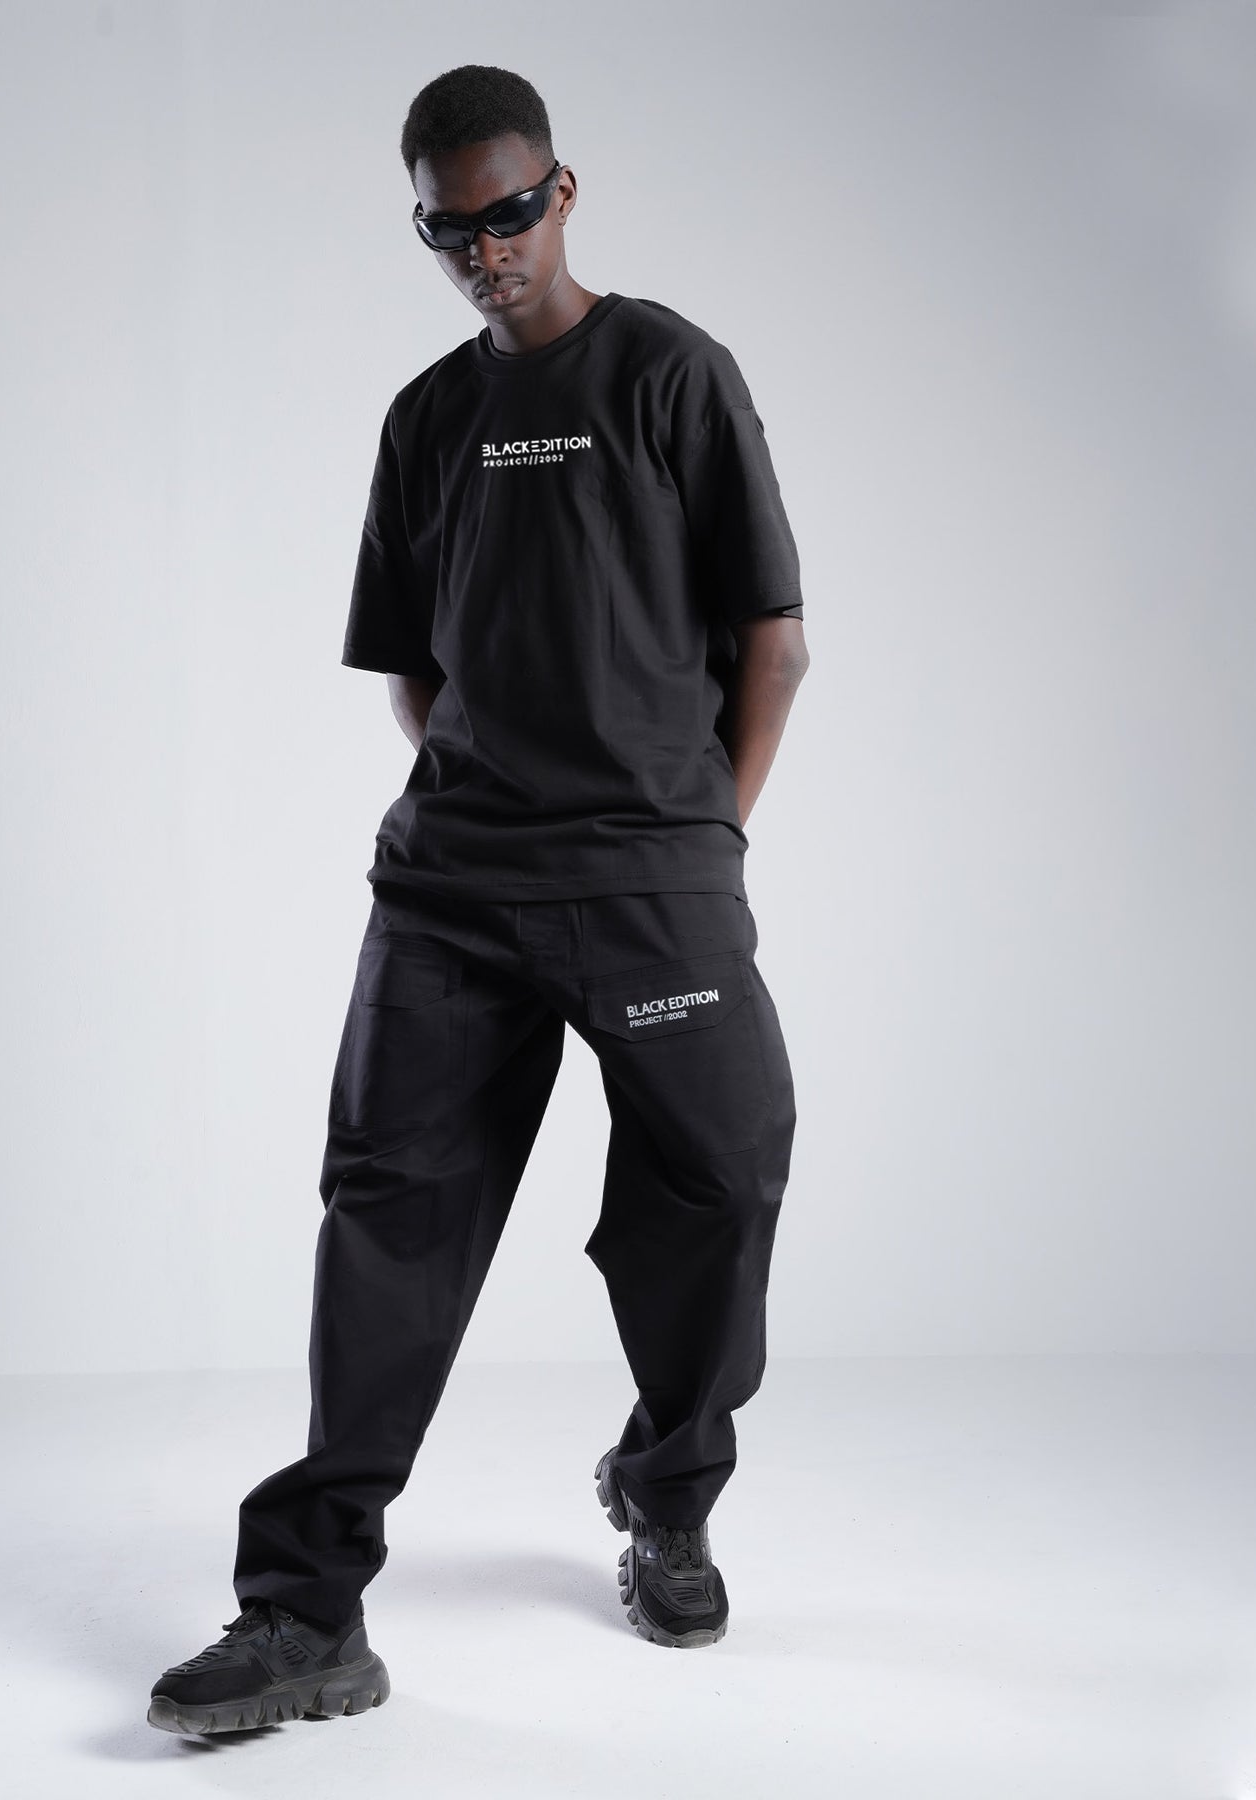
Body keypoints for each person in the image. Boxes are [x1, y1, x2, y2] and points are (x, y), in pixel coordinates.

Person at [148, 63, 809, 1739]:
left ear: (562, 192)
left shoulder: (670, 374)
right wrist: (495, 795)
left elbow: (774, 641)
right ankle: (306, 1609)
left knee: (722, 1181)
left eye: (509, 215)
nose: (484, 252)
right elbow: (413, 671)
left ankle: (667, 1490)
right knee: (390, 1218)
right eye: (449, 230)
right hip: (452, 896)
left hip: (654, 882)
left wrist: (697, 839)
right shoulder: (428, 419)